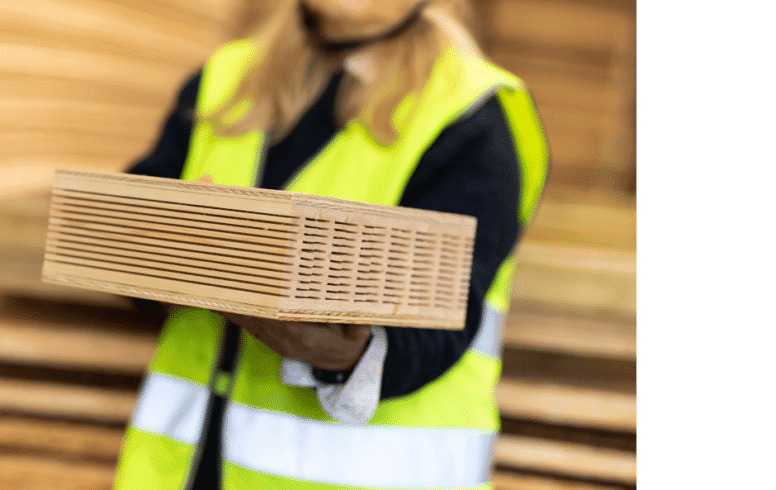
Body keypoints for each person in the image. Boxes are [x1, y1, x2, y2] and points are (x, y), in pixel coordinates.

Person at [114, 0, 548, 488]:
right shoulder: (226, 77)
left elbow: (437, 327)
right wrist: (169, 244)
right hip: (185, 463)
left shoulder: (471, 111)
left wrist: (350, 353)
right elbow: (129, 229)